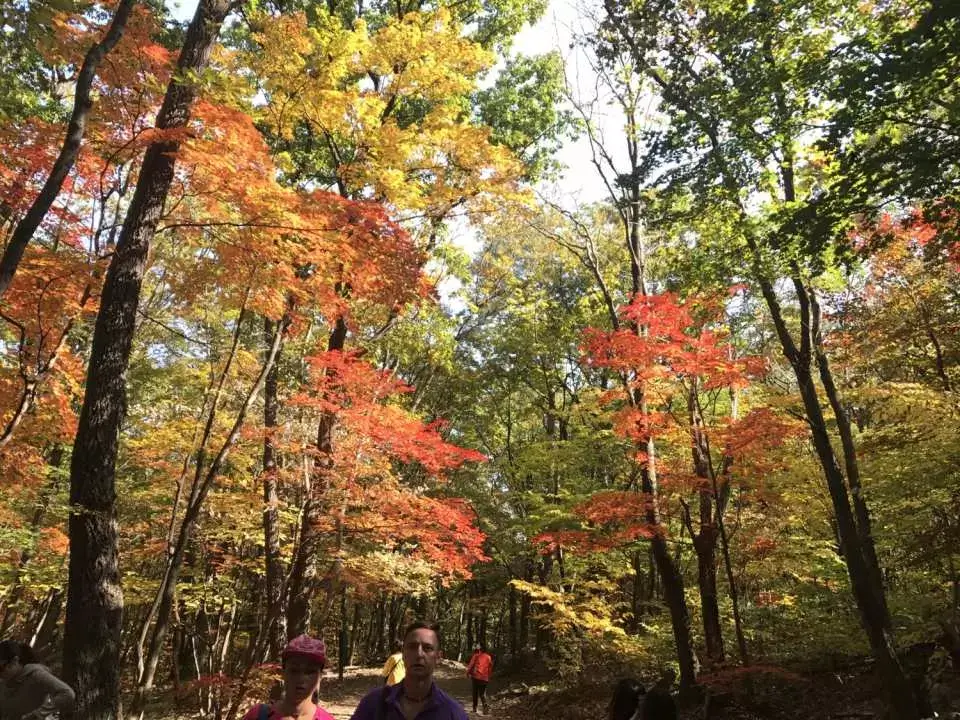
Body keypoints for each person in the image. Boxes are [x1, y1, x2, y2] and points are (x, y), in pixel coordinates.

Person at [350, 620, 468, 720]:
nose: (419, 654)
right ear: (403, 654)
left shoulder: (454, 714)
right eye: (412, 647)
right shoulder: (373, 704)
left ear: (438, 657)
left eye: (427, 648)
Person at [242, 635, 335, 720]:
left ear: (320, 676)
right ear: (283, 673)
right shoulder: (258, 715)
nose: (301, 678)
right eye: (294, 671)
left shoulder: (326, 718)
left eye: (310, 672)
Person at [0, 640, 75, 720]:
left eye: (0, 668)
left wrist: (38, 714)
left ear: (15, 661)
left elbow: (67, 693)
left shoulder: (36, 675)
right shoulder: (3, 683)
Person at [465, 643, 493, 715]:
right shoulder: (488, 657)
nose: (477, 646)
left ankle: (474, 708)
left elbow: (471, 665)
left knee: (475, 692)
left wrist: (467, 673)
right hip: (484, 678)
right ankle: (485, 706)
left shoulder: (476, 656)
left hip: (476, 677)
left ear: (480, 648)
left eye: (478, 646)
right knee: (483, 694)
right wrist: (488, 677)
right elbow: (490, 668)